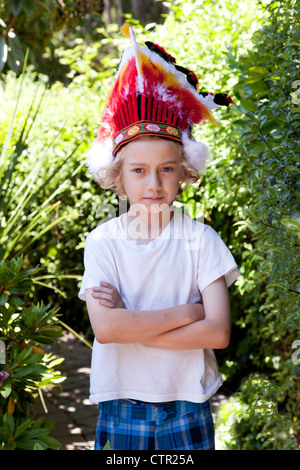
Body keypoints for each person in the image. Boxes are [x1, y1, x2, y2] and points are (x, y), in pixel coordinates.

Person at [78, 26, 239, 450]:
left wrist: (138, 327)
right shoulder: (102, 242)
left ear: (184, 172)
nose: (153, 183)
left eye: (167, 168)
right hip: (121, 401)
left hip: (188, 401)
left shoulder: (203, 240)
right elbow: (108, 328)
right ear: (117, 176)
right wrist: (190, 310)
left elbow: (218, 333)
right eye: (138, 170)